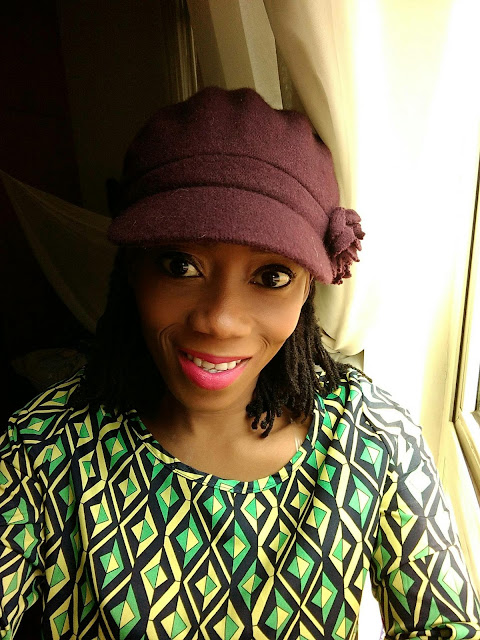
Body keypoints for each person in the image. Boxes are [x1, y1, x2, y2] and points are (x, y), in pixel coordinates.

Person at [1, 87, 479, 640]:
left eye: (272, 276)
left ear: (308, 289)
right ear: (131, 269)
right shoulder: (43, 447)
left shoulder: (372, 438)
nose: (220, 320)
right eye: (180, 265)